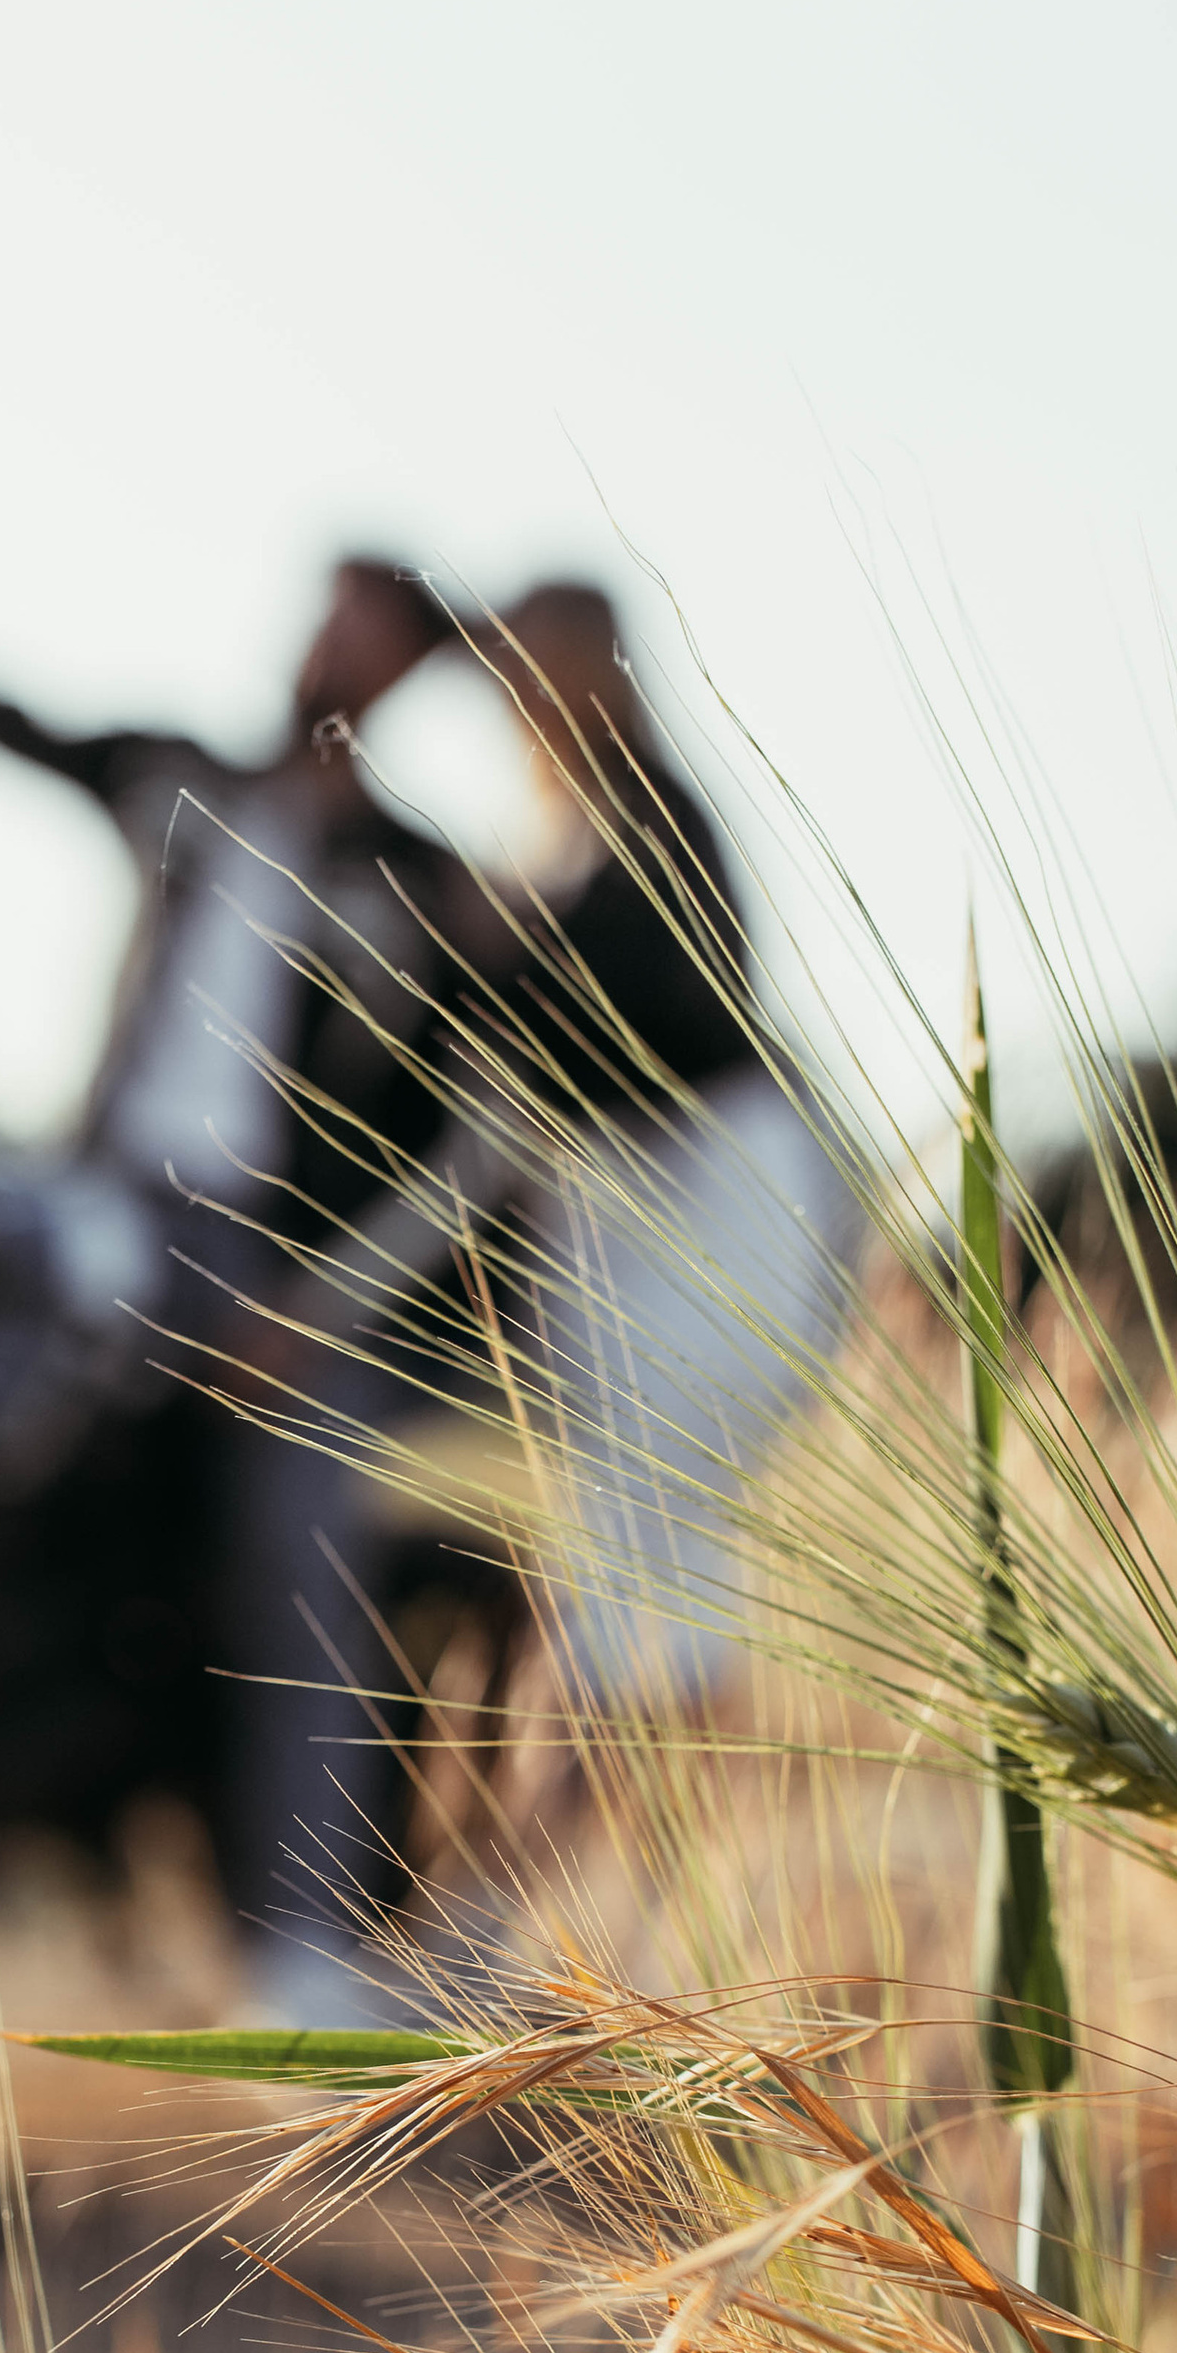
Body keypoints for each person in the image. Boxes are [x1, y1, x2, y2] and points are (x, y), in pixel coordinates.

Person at [0, 476, 470, 2015]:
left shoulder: (410, 878)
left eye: (367, 634)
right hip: (84, 1202)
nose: (330, 652)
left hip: (255, 1260)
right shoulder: (173, 780)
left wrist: (330, 1308)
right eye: (324, 616)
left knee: (293, 1542)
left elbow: (443, 1125)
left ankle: (300, 1944)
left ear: (409, 675)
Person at [472, 580, 849, 1711]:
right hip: (623, 1224)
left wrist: (507, 943)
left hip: (703, 1209)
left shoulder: (658, 821)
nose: (518, 700)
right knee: (630, 1539)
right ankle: (631, 1857)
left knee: (660, 1536)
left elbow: (673, 1018)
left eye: (537, 668)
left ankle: (638, 1834)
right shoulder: (569, 831)